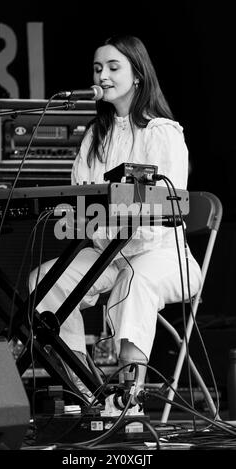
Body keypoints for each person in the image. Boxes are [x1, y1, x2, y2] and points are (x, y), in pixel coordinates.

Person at [29, 35, 202, 413]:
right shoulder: (95, 135)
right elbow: (80, 197)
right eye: (97, 68)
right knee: (45, 282)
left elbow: (164, 207)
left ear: (137, 74)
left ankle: (130, 397)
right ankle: (84, 385)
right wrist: (81, 213)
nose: (102, 75)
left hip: (160, 253)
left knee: (135, 280)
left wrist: (103, 214)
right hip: (107, 251)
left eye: (113, 67)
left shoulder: (162, 132)